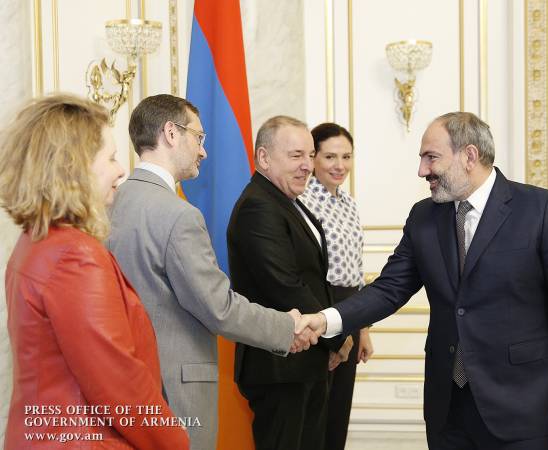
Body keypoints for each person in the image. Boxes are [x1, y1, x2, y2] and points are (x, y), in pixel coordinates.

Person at [300, 112, 548, 449]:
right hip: (448, 408)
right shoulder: (424, 216)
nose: (422, 170)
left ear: (469, 156)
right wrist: (327, 319)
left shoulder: (542, 209)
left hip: (522, 407)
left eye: (431, 158)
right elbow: (388, 289)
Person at [107, 95, 316, 450]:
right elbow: (218, 307)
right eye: (198, 138)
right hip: (174, 395)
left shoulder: (112, 203)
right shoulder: (178, 215)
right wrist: (289, 327)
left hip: (122, 385)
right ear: (171, 133)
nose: (203, 151)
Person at [0, 94, 189, 449]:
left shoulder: (35, 242)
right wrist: (177, 442)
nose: (121, 170)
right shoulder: (75, 255)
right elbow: (120, 386)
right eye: (112, 157)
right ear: (75, 167)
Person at [227, 116, 353, 450]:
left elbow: (312, 279)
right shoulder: (259, 206)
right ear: (264, 158)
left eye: (310, 156)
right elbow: (284, 286)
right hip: (278, 367)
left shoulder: (287, 202)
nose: (307, 166)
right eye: (296, 155)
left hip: (302, 363)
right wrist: (335, 335)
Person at [299, 122, 373, 450]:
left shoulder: (348, 202)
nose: (339, 165)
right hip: (318, 312)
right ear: (313, 158)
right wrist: (331, 338)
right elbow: (306, 273)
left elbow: (356, 271)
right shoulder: (301, 203)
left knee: (339, 412)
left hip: (351, 310)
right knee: (315, 414)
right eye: (330, 156)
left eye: (346, 156)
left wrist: (364, 329)